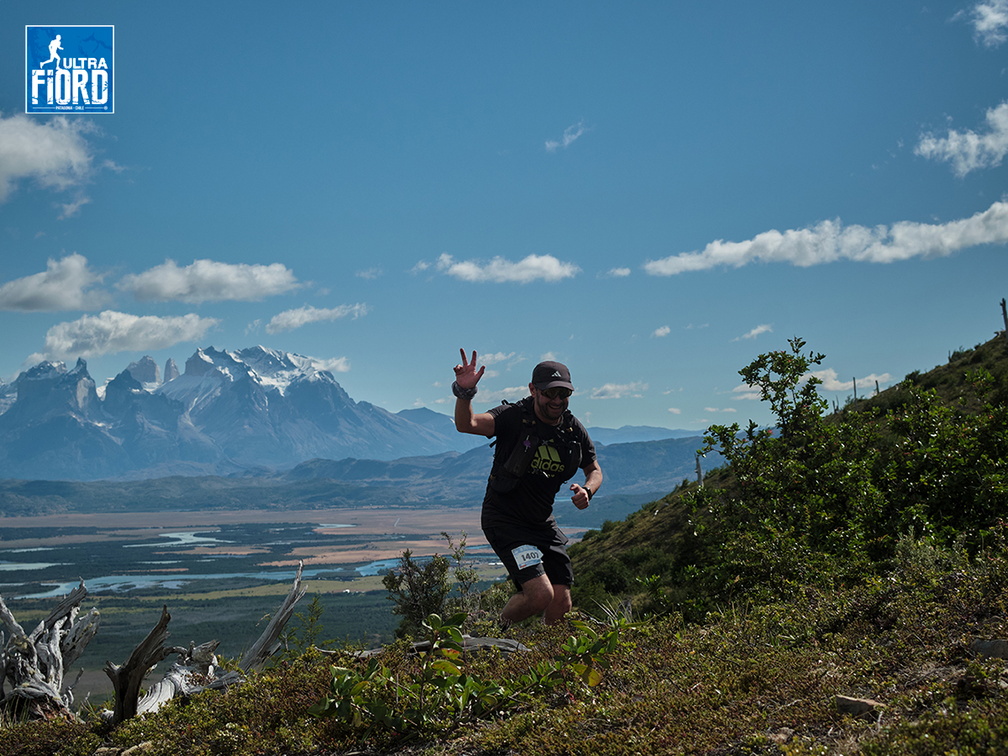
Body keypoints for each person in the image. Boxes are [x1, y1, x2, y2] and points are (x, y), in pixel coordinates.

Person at [452, 348, 603, 627]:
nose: (557, 400)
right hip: (506, 520)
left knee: (562, 601)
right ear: (533, 390)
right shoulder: (512, 417)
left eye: (563, 393)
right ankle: (490, 636)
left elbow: (593, 469)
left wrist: (588, 490)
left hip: (541, 522)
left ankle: (549, 650)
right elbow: (467, 424)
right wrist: (464, 393)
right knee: (539, 595)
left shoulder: (572, 429)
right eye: (549, 393)